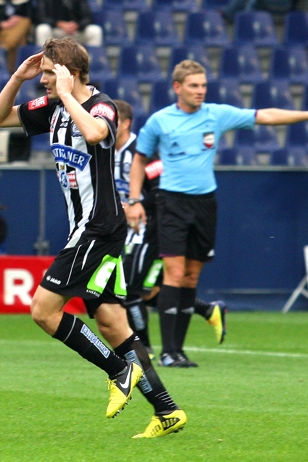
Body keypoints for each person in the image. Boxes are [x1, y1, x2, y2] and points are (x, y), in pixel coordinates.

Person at [0, 37, 186, 438]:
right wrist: (17, 76)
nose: (42, 81)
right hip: (90, 228)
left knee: (44, 310)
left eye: (48, 73)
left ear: (70, 72)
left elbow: (96, 134)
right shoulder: (53, 107)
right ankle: (166, 410)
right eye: (41, 73)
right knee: (113, 323)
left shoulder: (101, 105)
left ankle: (118, 371)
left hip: (98, 227)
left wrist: (64, 94)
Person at [126, 60, 308, 368]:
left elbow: (264, 115)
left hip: (205, 204)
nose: (200, 91)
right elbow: (139, 160)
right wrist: (134, 199)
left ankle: (179, 350)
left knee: (191, 277)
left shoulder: (216, 114)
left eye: (203, 85)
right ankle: (168, 352)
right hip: (171, 203)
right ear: (177, 87)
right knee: (174, 273)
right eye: (193, 85)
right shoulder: (160, 121)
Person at [112, 99, 227, 367]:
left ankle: (146, 347)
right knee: (149, 289)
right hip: (122, 231)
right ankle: (207, 309)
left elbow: (161, 189)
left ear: (126, 123)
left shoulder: (142, 153)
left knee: (133, 290)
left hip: (150, 229)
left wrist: (134, 205)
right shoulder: (107, 150)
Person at [0, 0, 34, 72]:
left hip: (17, 30)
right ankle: (12, 72)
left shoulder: (24, 2)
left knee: (25, 22)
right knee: (18, 42)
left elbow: (31, 18)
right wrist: (2, 24)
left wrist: (16, 19)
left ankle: (6, 47)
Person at [34, 0, 103, 47]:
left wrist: (77, 25)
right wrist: (59, 24)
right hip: (55, 31)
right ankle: (42, 62)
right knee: (42, 29)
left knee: (95, 31)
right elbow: (41, 17)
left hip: (75, 32)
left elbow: (88, 18)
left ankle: (94, 64)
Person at [221, 0, 296, 23]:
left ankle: (227, 13)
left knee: (251, 2)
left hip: (283, 6)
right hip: (271, 6)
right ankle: (228, 13)